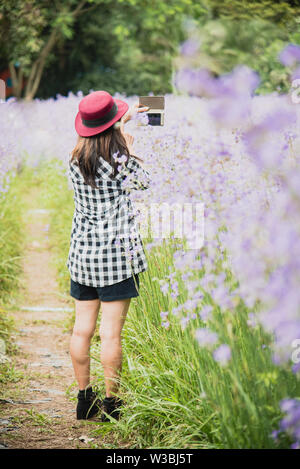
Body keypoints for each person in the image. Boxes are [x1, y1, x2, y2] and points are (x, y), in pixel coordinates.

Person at [66, 90, 151, 421]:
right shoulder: (122, 163)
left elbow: (95, 140)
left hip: (83, 258)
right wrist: (129, 150)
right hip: (116, 260)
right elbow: (144, 183)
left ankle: (84, 400)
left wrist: (118, 122)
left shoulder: (74, 161)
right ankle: (111, 406)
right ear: (112, 126)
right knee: (111, 334)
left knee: (81, 330)